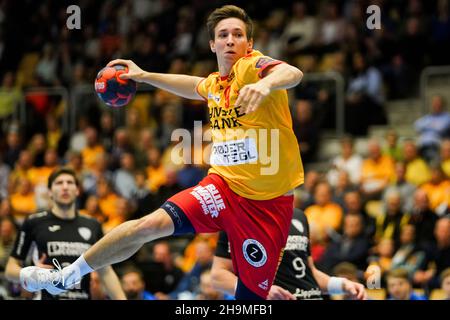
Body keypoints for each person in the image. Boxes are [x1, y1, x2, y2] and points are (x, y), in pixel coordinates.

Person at [18, 5, 304, 300]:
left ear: (249, 44)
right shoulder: (215, 84)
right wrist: (143, 75)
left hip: (267, 207)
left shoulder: (251, 67)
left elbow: (292, 72)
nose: (230, 40)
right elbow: (194, 86)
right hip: (224, 187)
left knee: (253, 301)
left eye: (238, 34)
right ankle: (65, 276)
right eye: (223, 35)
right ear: (212, 44)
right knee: (149, 224)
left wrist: (267, 84)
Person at [4, 168, 126, 300]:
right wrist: (33, 274)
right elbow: (10, 270)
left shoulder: (93, 225)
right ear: (50, 192)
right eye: (59, 183)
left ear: (77, 190)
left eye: (70, 182)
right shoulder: (34, 222)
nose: (65, 187)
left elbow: (106, 271)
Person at [211, 208, 367, 300]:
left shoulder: (298, 215)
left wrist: (342, 284)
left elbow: (309, 272)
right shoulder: (238, 217)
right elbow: (218, 276)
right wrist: (257, 291)